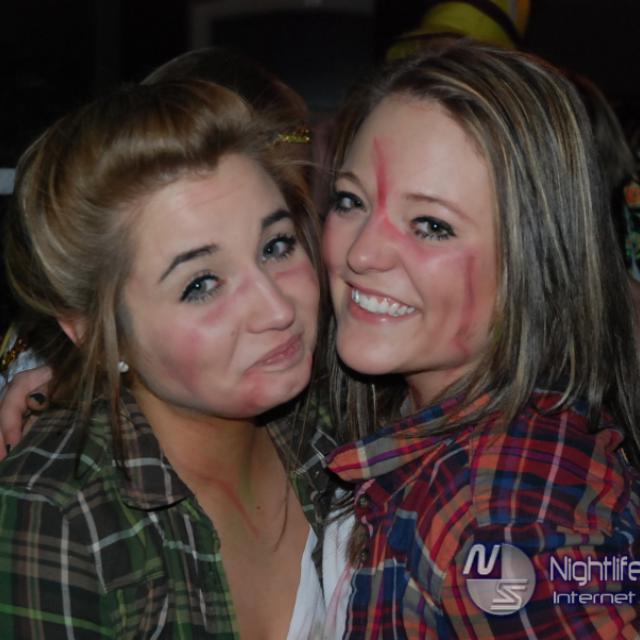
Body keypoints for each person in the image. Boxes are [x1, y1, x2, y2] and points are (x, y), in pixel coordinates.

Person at [321, 40, 640, 637]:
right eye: (350, 201)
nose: (361, 252)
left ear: (535, 262)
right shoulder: (414, 420)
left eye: (431, 225)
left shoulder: (511, 509)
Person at [0, 78, 328, 638]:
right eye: (201, 284)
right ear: (95, 331)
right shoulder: (58, 516)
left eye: (276, 246)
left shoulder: (337, 428)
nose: (276, 309)